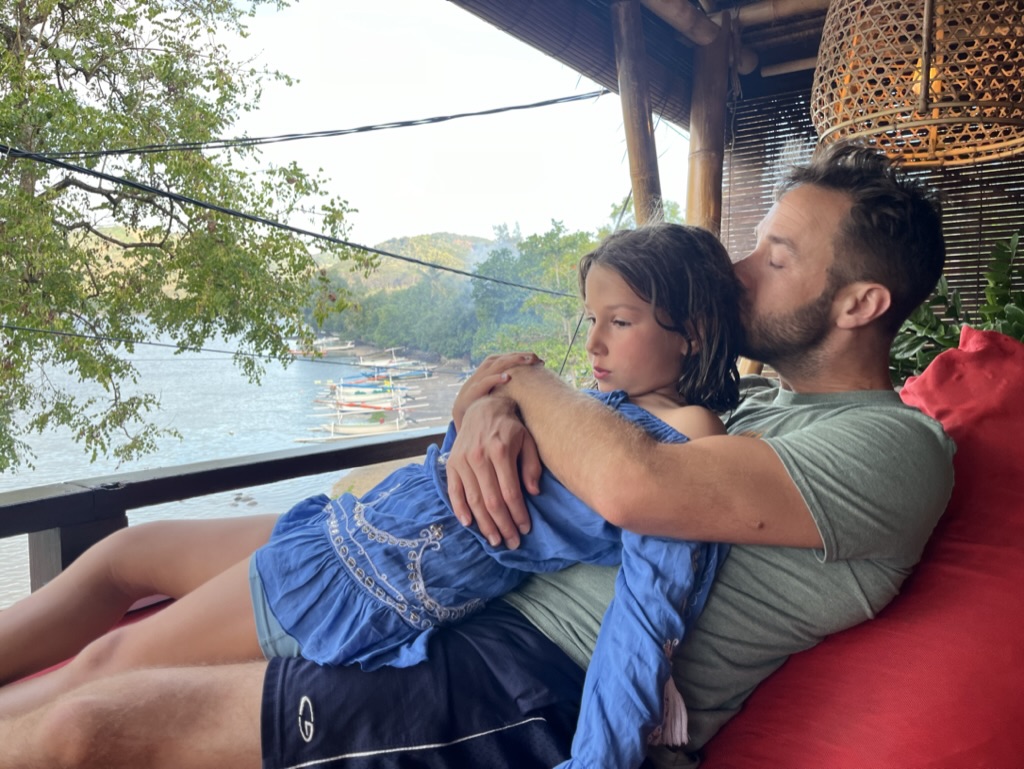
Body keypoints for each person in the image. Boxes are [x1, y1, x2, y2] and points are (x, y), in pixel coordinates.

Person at [0, 140, 956, 769]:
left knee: (91, 723)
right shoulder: (754, 403)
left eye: (778, 257)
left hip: (526, 677)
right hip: (470, 582)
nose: (741, 270)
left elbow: (635, 481)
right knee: (131, 554)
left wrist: (523, 387)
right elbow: (597, 422)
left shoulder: (894, 447)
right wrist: (490, 407)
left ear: (860, 303)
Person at [0, 225, 743, 768]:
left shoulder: (684, 443)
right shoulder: (601, 405)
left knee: (108, 665)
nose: (595, 344)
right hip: (351, 528)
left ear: (693, 331)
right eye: (592, 319)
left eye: (621, 321)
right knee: (129, 553)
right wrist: (486, 404)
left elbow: (647, 615)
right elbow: (477, 427)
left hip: (359, 578)